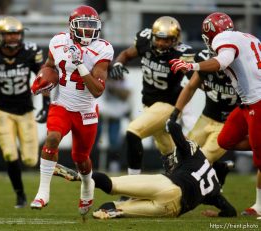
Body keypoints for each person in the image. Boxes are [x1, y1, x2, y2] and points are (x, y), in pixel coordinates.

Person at [169, 12, 261, 216]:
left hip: (257, 102)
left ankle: (259, 206)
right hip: (247, 103)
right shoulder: (247, 37)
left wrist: (191, 65)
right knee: (225, 140)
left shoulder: (222, 39)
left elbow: (222, 61)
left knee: (259, 160)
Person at [53, 119, 237, 219]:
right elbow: (231, 212)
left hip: (163, 182)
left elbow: (174, 127)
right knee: (114, 209)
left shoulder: (197, 157)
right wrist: (216, 214)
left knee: (111, 184)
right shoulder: (214, 192)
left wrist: (168, 120)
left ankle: (78, 176)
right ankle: (110, 212)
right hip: (173, 206)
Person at [29, 5, 114, 217]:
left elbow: (97, 90)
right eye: (82, 25)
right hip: (62, 104)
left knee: (81, 158)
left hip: (85, 110)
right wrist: (43, 78)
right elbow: (49, 65)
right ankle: (43, 192)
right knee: (52, 138)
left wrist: (79, 64)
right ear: (71, 26)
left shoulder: (103, 48)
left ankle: (87, 185)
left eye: (91, 26)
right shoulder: (58, 41)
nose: (87, 31)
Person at [108, 16, 195, 176]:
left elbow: (194, 81)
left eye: (167, 40)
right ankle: (184, 180)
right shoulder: (144, 40)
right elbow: (127, 54)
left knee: (133, 132)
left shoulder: (181, 53)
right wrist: (119, 63)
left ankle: (133, 185)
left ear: (176, 39)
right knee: (168, 152)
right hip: (149, 104)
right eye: (159, 39)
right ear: (153, 36)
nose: (162, 43)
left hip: (169, 104)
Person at [0, 16, 48, 208]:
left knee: (31, 159)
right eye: (8, 34)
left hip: (25, 111)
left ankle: (22, 192)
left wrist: (46, 103)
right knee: (9, 154)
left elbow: (43, 78)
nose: (13, 37)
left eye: (16, 33)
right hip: (2, 112)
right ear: (0, 36)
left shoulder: (30, 53)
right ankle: (20, 195)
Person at [169, 48, 237, 185]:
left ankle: (206, 191)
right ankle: (220, 168)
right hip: (206, 117)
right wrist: (174, 114)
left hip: (229, 123)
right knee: (183, 154)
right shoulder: (204, 59)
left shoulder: (241, 66)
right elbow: (190, 86)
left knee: (202, 160)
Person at [94, 78, 131, 172]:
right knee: (94, 139)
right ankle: (91, 163)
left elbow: (127, 94)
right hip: (100, 114)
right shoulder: (100, 76)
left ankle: (113, 164)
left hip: (115, 115)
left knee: (114, 141)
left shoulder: (123, 80)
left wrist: (114, 88)